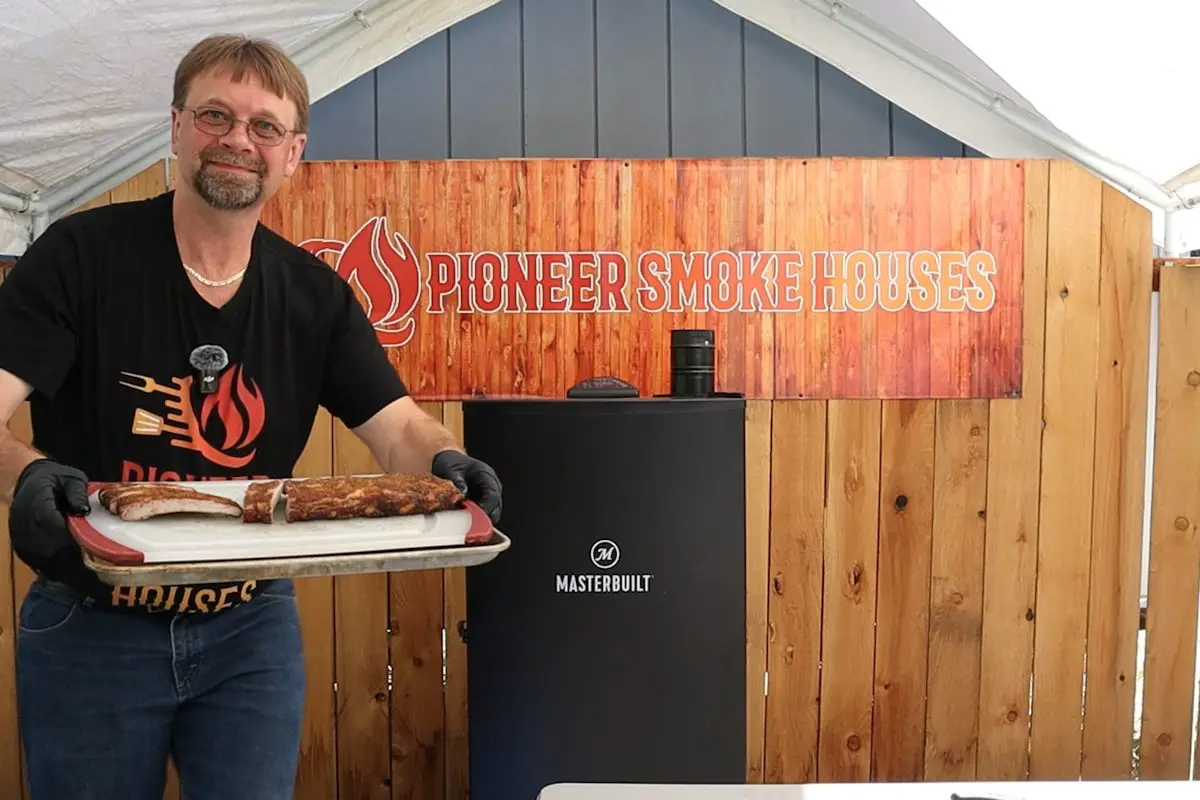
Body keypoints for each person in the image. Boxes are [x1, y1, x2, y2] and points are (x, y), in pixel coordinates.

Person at [0, 33, 502, 800]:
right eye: (214, 115)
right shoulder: (80, 258)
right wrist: (26, 475)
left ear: (292, 152)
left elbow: (397, 426)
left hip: (248, 625)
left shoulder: (314, 296)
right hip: (92, 621)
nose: (238, 139)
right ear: (175, 128)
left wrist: (446, 462)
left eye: (264, 126)